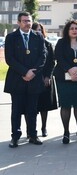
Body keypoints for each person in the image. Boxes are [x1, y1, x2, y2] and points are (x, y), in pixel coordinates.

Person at [4, 12, 46, 148]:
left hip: (34, 78)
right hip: (17, 79)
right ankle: (15, 137)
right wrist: (24, 72)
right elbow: (9, 58)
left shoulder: (38, 36)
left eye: (29, 21)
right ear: (18, 22)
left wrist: (32, 72)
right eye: (24, 21)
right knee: (16, 110)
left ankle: (33, 135)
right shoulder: (11, 37)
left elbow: (43, 56)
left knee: (32, 109)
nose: (27, 23)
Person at [54, 20, 77, 144]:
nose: (74, 30)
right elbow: (58, 58)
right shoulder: (61, 43)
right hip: (63, 78)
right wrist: (70, 70)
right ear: (67, 31)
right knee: (65, 106)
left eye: (76, 28)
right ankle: (66, 133)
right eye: (71, 28)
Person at [32, 22, 57, 138]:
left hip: (46, 79)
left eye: (40, 30)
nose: (39, 32)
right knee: (32, 106)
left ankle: (43, 127)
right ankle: (31, 129)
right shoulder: (29, 44)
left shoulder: (48, 44)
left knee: (44, 106)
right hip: (33, 79)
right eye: (36, 30)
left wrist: (48, 76)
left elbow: (52, 62)